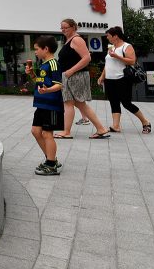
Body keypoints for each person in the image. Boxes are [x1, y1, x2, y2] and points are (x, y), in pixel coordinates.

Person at [54, 18, 111, 140]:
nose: (63, 30)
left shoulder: (77, 39)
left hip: (75, 76)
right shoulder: (69, 40)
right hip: (71, 76)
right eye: (61, 28)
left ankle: (67, 132)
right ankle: (100, 129)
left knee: (70, 103)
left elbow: (86, 58)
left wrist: (70, 71)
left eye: (66, 27)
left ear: (73, 27)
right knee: (78, 104)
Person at [97, 26, 153, 134]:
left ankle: (145, 122)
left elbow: (132, 61)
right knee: (114, 102)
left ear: (115, 36)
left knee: (126, 103)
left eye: (108, 36)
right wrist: (102, 76)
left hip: (122, 79)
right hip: (110, 79)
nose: (107, 38)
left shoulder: (127, 46)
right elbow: (108, 64)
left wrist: (116, 56)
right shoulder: (111, 48)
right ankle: (116, 126)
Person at [25, 35, 63, 175]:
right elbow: (40, 82)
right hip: (41, 104)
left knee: (47, 133)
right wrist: (32, 74)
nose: (35, 52)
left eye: (36, 49)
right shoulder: (43, 64)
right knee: (35, 131)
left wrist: (47, 90)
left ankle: (51, 164)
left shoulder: (53, 64)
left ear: (45, 49)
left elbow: (59, 85)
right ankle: (51, 158)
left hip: (52, 105)